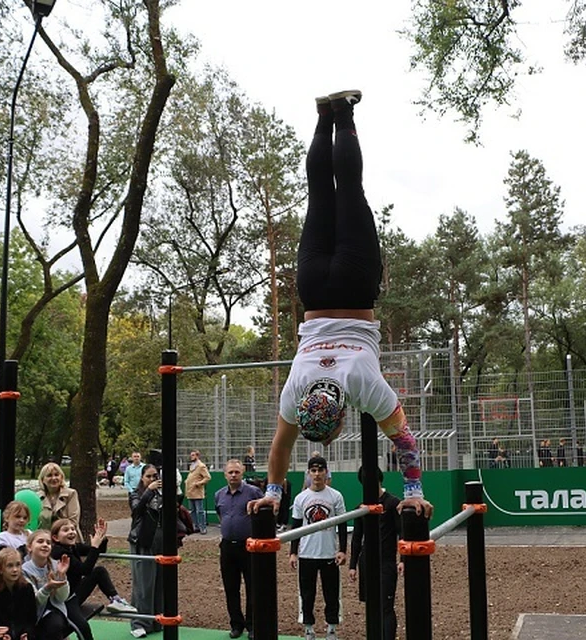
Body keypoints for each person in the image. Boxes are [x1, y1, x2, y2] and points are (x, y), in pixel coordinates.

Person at [248, 91, 432, 521]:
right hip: (312, 293)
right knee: (319, 194)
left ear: (341, 414)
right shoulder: (296, 389)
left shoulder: (363, 381)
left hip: (353, 288)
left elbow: (405, 440)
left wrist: (413, 489)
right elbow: (281, 444)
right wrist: (273, 492)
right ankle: (321, 116)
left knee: (348, 188)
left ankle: (344, 110)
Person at [290, 455, 347, 640]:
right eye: (313, 471)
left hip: (329, 553)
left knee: (331, 593)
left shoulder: (335, 496)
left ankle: (331, 628)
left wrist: (342, 550)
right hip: (307, 554)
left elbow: (343, 525)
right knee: (307, 594)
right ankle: (308, 628)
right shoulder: (301, 498)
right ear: (308, 473)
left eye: (320, 470)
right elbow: (296, 527)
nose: (316, 474)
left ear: (326, 472)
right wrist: (293, 552)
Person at [349, 466, 401, 640]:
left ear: (379, 480)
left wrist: (403, 559)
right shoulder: (361, 507)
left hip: (386, 562)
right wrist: (352, 566)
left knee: (386, 606)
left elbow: (402, 532)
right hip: (366, 563)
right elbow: (357, 538)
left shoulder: (392, 503)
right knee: (371, 605)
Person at [214, 459, 263, 639]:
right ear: (225, 474)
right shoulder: (219, 495)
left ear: (242, 473)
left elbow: (263, 515)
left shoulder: (253, 492)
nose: (233, 475)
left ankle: (252, 625)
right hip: (227, 547)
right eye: (230, 472)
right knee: (231, 587)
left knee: (252, 586)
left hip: (249, 546)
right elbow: (221, 515)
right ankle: (236, 624)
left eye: (237, 472)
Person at [50, 517, 136, 613]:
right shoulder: (59, 552)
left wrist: (101, 537)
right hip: (65, 599)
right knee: (99, 571)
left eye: (73, 529)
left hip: (73, 592)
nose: (71, 532)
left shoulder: (72, 547)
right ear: (55, 537)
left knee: (99, 571)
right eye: (66, 530)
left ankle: (116, 599)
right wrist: (94, 546)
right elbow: (85, 570)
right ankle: (116, 599)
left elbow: (100, 550)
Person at [22, 529, 92, 640]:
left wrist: (62, 576)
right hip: (33, 613)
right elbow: (35, 601)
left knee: (56, 624)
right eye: (40, 541)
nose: (45, 545)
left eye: (48, 543)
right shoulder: (24, 570)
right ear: (30, 547)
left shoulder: (56, 565)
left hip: (55, 611)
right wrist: (48, 588)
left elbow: (62, 597)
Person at [128, 464, 165, 638]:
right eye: (149, 476)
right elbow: (137, 510)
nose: (153, 479)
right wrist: (148, 491)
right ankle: (138, 622)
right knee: (144, 584)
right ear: (142, 478)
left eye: (155, 476)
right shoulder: (136, 494)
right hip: (142, 542)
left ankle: (156, 619)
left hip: (160, 542)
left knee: (159, 583)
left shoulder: (161, 495)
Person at [0, 546, 37, 640]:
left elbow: (31, 618)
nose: (15, 570)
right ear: (0, 569)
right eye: (10, 566)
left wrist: (27, 633)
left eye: (18, 565)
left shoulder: (27, 588)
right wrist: (1, 636)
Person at [37, 462, 82, 542]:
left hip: (68, 540)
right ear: (43, 479)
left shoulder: (71, 494)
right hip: (44, 540)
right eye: (49, 475)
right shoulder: (37, 497)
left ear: (61, 477)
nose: (54, 478)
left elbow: (73, 521)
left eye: (56, 475)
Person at [185, 450, 211, 535]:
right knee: (192, 511)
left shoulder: (201, 466)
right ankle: (196, 526)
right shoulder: (192, 466)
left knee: (200, 511)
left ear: (197, 456)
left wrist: (198, 484)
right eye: (191, 455)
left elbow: (207, 477)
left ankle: (203, 527)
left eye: (193, 455)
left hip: (197, 492)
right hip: (190, 492)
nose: (191, 456)